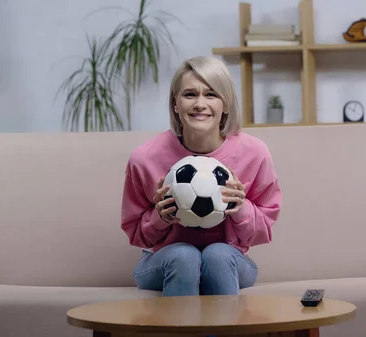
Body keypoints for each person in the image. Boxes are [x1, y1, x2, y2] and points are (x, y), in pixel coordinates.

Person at [120, 55, 282, 297]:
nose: (200, 103)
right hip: (164, 261)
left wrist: (240, 208)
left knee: (216, 254)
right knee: (185, 256)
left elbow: (263, 232)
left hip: (229, 260)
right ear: (175, 103)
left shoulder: (254, 153)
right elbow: (135, 234)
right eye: (189, 94)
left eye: (211, 94)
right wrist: (159, 217)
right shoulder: (144, 158)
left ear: (225, 104)